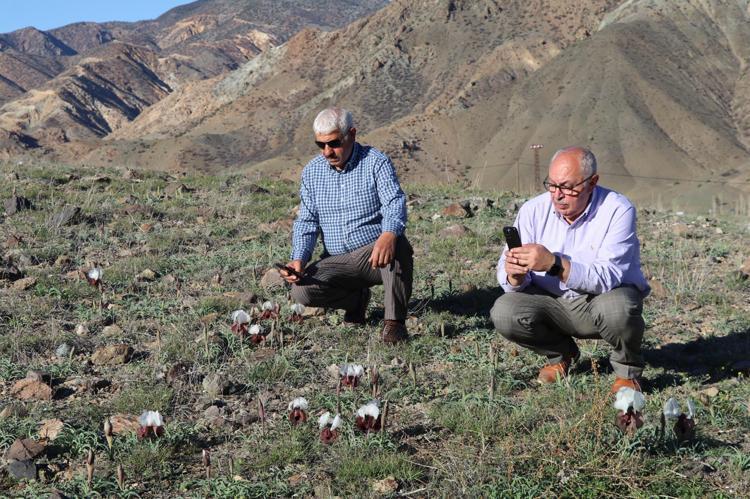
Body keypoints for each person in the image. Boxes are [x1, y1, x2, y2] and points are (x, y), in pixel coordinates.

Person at [490, 146, 650, 393]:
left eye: (567, 187)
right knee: (504, 311)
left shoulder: (617, 210)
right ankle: (561, 355)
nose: (557, 195)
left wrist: (554, 264)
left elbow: (607, 277)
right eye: (552, 185)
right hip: (551, 303)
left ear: (592, 182)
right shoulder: (533, 210)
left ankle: (627, 371)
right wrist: (514, 275)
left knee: (618, 307)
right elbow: (507, 276)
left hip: (597, 300)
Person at [280, 107, 413, 343]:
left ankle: (394, 324)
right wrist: (299, 259)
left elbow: (394, 202)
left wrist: (389, 234)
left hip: (374, 256)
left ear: (351, 134)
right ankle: (356, 301)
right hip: (336, 261)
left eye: (334, 143)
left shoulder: (376, 162)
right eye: (321, 145)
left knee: (398, 244)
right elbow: (307, 220)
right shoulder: (311, 172)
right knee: (301, 290)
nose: (327, 152)